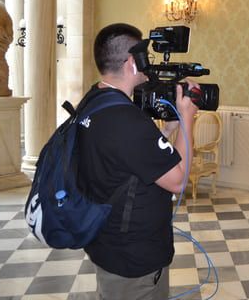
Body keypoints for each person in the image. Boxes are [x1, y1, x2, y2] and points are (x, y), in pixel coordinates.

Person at [77, 23, 199, 299]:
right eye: (146, 57)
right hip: (134, 259)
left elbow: (127, 156)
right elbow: (178, 181)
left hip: (106, 243)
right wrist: (187, 118)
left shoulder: (94, 100)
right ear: (132, 62)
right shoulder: (128, 120)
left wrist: (166, 132)